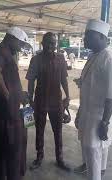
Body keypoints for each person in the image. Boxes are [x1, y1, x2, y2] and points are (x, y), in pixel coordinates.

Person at [73, 19, 112, 180]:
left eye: (88, 35)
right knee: (91, 151)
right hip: (88, 113)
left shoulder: (110, 58)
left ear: (101, 36)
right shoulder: (94, 56)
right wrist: (80, 111)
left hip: (99, 117)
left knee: (93, 151)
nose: (84, 39)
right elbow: (91, 83)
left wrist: (105, 123)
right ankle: (97, 172)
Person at [26, 32, 70, 171]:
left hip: (56, 101)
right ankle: (39, 156)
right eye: (49, 42)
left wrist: (67, 96)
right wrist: (30, 99)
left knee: (58, 131)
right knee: (39, 130)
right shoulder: (36, 60)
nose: (51, 45)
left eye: (54, 43)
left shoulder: (61, 58)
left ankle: (60, 158)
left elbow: (64, 79)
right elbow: (31, 80)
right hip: (40, 100)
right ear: (42, 43)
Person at [0, 27, 28, 180]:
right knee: (7, 146)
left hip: (11, 107)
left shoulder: (7, 52)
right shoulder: (0, 51)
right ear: (12, 38)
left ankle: (3, 173)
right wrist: (7, 94)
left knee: (7, 146)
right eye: (20, 44)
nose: (20, 48)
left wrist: (19, 93)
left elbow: (8, 77)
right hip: (4, 110)